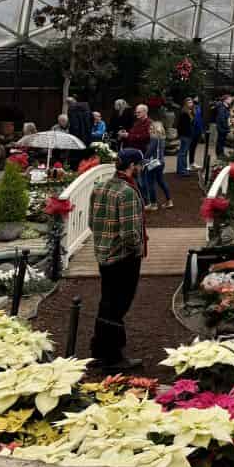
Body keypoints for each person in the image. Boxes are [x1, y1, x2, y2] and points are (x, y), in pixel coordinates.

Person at [88, 148, 146, 372]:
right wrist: (138, 249)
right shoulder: (127, 192)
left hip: (103, 254)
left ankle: (99, 351)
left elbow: (92, 223)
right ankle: (113, 358)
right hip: (124, 257)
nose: (141, 169)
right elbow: (130, 234)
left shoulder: (100, 186)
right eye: (139, 165)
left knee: (107, 301)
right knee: (119, 305)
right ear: (132, 166)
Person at [143, 120, 171, 211]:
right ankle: (169, 201)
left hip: (153, 163)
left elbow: (149, 152)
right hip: (161, 162)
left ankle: (153, 204)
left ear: (155, 129)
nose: (149, 130)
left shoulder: (154, 139)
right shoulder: (162, 138)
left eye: (151, 128)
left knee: (150, 183)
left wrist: (143, 160)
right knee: (161, 181)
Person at [176, 98, 195, 179]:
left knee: (183, 152)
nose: (191, 103)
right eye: (189, 102)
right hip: (185, 135)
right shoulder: (184, 113)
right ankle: (182, 170)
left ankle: (180, 169)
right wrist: (182, 135)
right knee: (183, 153)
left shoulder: (189, 112)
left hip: (187, 135)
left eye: (191, 102)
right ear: (185, 103)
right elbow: (181, 125)